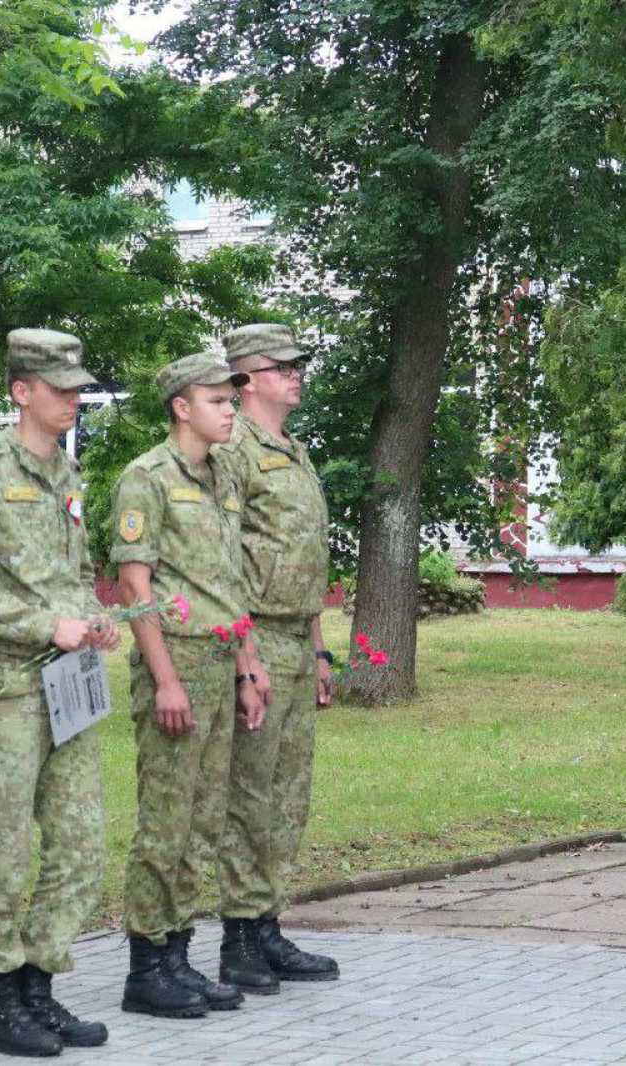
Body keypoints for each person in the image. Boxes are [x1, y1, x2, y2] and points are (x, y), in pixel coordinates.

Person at [0, 328, 121, 1058]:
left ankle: (39, 987)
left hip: (68, 685)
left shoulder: (69, 477)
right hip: (7, 687)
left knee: (80, 843)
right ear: (22, 391)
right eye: (61, 388)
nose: (74, 399)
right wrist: (49, 622)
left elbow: (72, 576)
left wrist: (93, 620)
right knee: (3, 850)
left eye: (78, 388)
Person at [110, 350, 264, 1017]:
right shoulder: (145, 478)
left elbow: (226, 583)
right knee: (166, 821)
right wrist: (166, 681)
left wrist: (248, 664)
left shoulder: (222, 474)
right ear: (182, 407)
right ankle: (147, 965)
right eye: (219, 401)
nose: (231, 411)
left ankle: (178, 954)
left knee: (203, 821)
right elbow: (134, 587)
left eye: (232, 401)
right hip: (175, 662)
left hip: (220, 657)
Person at [213, 323, 340, 990]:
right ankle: (238, 936)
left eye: (299, 364)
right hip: (256, 634)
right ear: (245, 378)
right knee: (250, 791)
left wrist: (320, 651)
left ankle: (268, 926)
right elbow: (225, 560)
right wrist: (245, 657)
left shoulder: (293, 450)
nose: (296, 374)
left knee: (289, 791)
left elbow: (305, 556)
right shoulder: (231, 449)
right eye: (282, 365)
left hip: (296, 635)